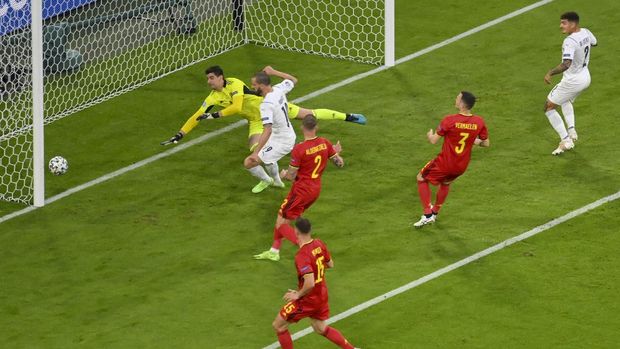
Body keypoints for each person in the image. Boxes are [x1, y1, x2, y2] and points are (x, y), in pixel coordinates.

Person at [161, 66, 366, 150]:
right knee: (255, 151)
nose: (209, 82)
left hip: (271, 107)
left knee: (308, 114)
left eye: (211, 78)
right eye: (207, 79)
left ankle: (349, 117)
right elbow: (197, 115)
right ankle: (272, 178)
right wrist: (180, 134)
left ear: (221, 77)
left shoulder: (235, 84)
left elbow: (237, 106)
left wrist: (214, 116)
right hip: (255, 120)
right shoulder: (213, 96)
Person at [254, 115, 343, 260]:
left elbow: (291, 175)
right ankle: (274, 251)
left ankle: (307, 248)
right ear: (316, 127)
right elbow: (339, 163)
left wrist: (282, 175)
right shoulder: (325, 143)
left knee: (281, 224)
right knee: (282, 214)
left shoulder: (299, 149)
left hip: (301, 191)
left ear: (302, 127)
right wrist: (336, 152)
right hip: (315, 190)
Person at [271, 217, 358, 349]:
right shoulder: (319, 243)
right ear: (310, 230)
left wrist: (298, 294)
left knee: (279, 325)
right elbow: (330, 264)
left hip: (308, 300)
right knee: (320, 328)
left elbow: (310, 283)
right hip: (321, 294)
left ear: (296, 231)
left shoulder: (302, 255)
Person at [413, 91, 489, 228]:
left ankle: (427, 215)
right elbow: (486, 143)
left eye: (457, 98)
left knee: (421, 178)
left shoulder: (450, 120)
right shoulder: (479, 121)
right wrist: (473, 140)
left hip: (445, 162)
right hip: (461, 166)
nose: (455, 99)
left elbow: (433, 141)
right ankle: (435, 212)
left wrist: (429, 135)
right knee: (446, 183)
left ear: (462, 104)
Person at [543, 11, 597, 155]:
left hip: (573, 80)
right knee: (565, 100)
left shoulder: (569, 41)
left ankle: (566, 140)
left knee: (549, 107)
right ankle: (572, 131)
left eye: (564, 23)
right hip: (585, 76)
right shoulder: (586, 31)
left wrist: (550, 72)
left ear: (573, 24)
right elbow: (594, 43)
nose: (561, 26)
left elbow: (566, 63)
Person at [243, 66, 298, 193]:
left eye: (254, 85)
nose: (253, 87)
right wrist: (274, 72)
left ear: (262, 85)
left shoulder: (266, 104)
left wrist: (256, 152)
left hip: (282, 141)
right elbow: (293, 80)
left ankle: (267, 180)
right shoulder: (278, 89)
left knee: (249, 162)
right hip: (285, 134)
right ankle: (277, 182)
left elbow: (267, 130)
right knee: (268, 159)